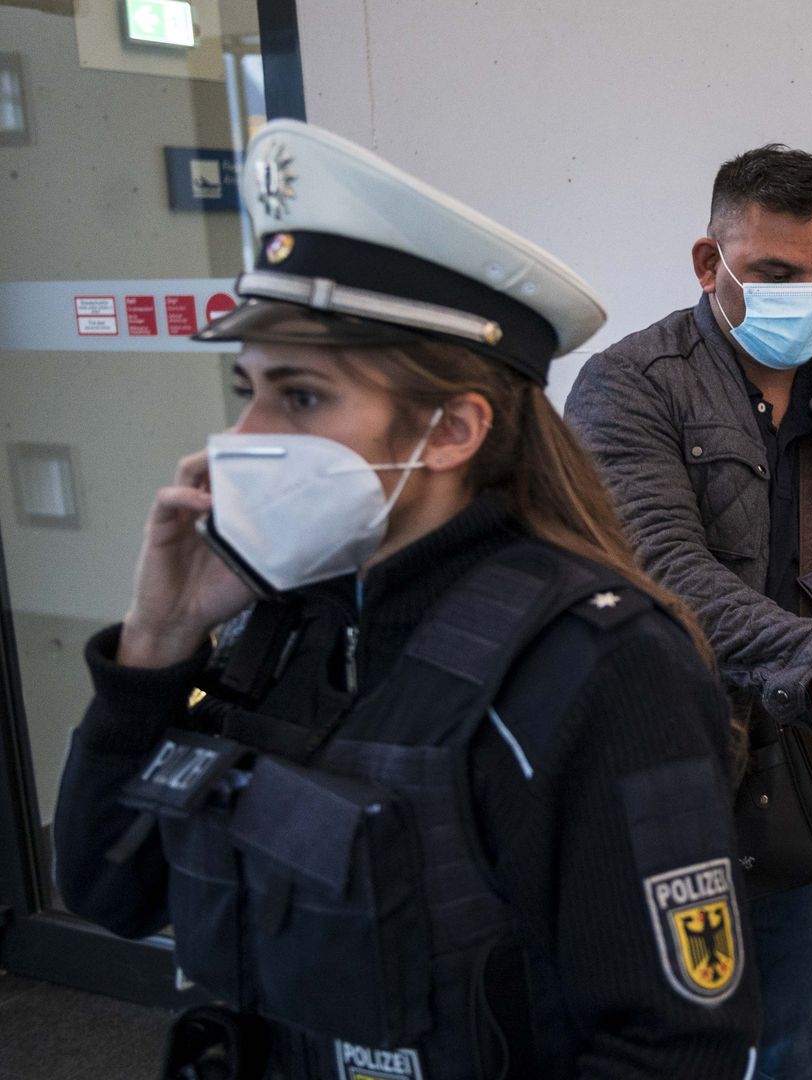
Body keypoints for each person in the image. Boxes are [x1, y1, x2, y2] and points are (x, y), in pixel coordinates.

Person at [54, 120, 758, 1079]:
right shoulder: (289, 623)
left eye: (300, 398)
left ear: (453, 427)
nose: (244, 435)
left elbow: (672, 1049)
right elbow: (113, 886)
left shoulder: (599, 662)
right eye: (246, 389)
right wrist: (160, 641)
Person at [566, 144, 812, 1079]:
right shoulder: (629, 385)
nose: (807, 296)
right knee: (663, 1056)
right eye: (774, 274)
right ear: (706, 262)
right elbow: (657, 566)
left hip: (807, 795)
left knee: (791, 1049)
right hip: (666, 782)